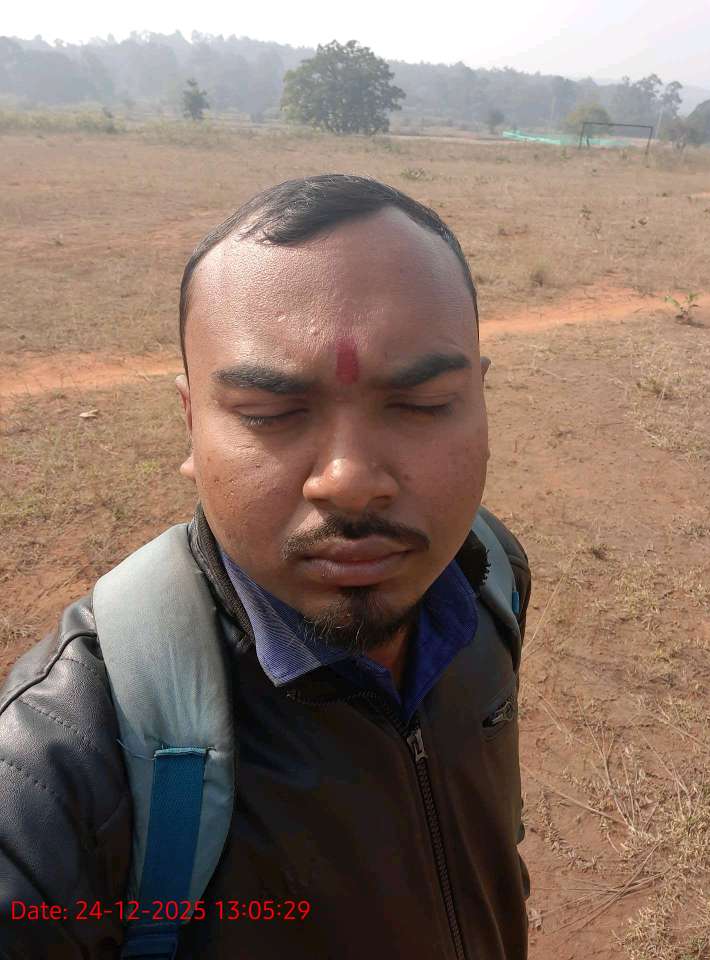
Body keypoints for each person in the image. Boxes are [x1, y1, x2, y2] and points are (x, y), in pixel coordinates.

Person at [0, 174, 532, 960]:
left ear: (480, 401)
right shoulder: (60, 765)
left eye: (423, 404)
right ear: (191, 422)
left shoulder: (491, 579)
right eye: (270, 414)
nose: (350, 481)